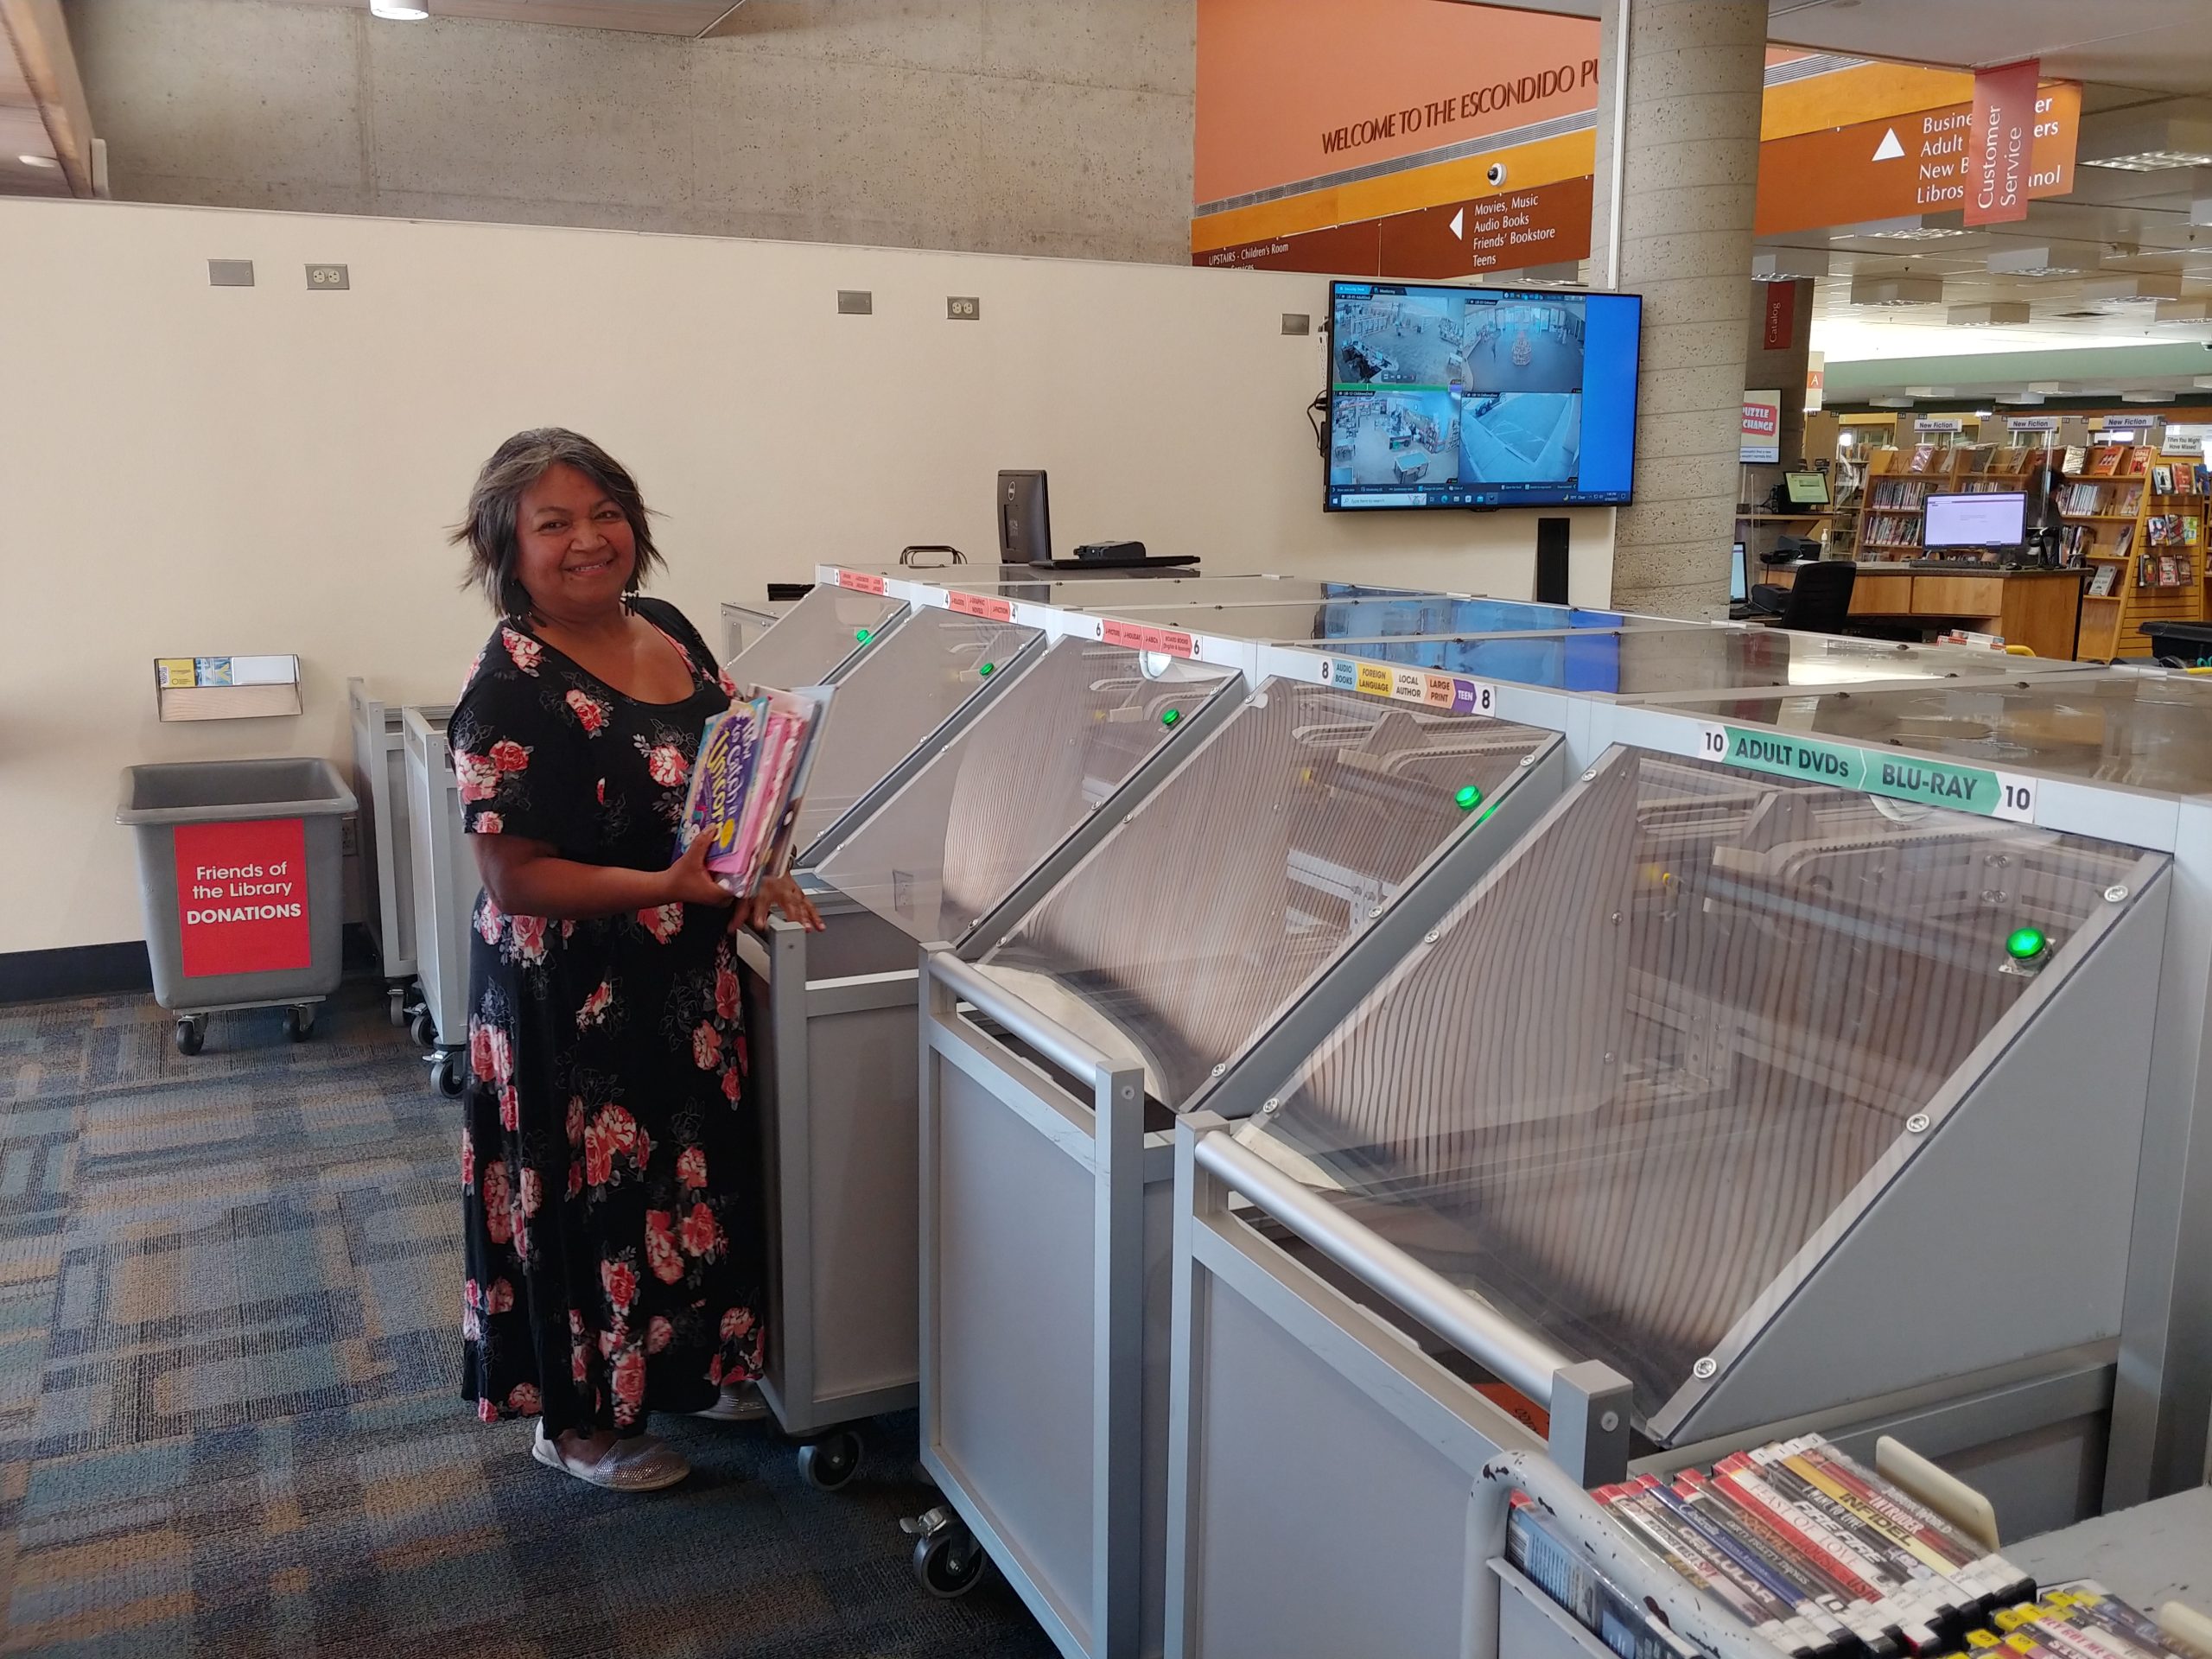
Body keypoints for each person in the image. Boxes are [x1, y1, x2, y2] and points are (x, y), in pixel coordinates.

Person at [447, 428, 823, 1492]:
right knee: (591, 1205)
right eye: (552, 523)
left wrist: (761, 862)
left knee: (683, 1181)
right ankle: (577, 1427)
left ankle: (682, 1368)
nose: (586, 540)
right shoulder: (509, 687)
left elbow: (721, 776)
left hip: (681, 980)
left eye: (603, 513)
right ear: (506, 548)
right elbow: (515, 879)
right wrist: (665, 887)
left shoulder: (663, 626)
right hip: (571, 999)